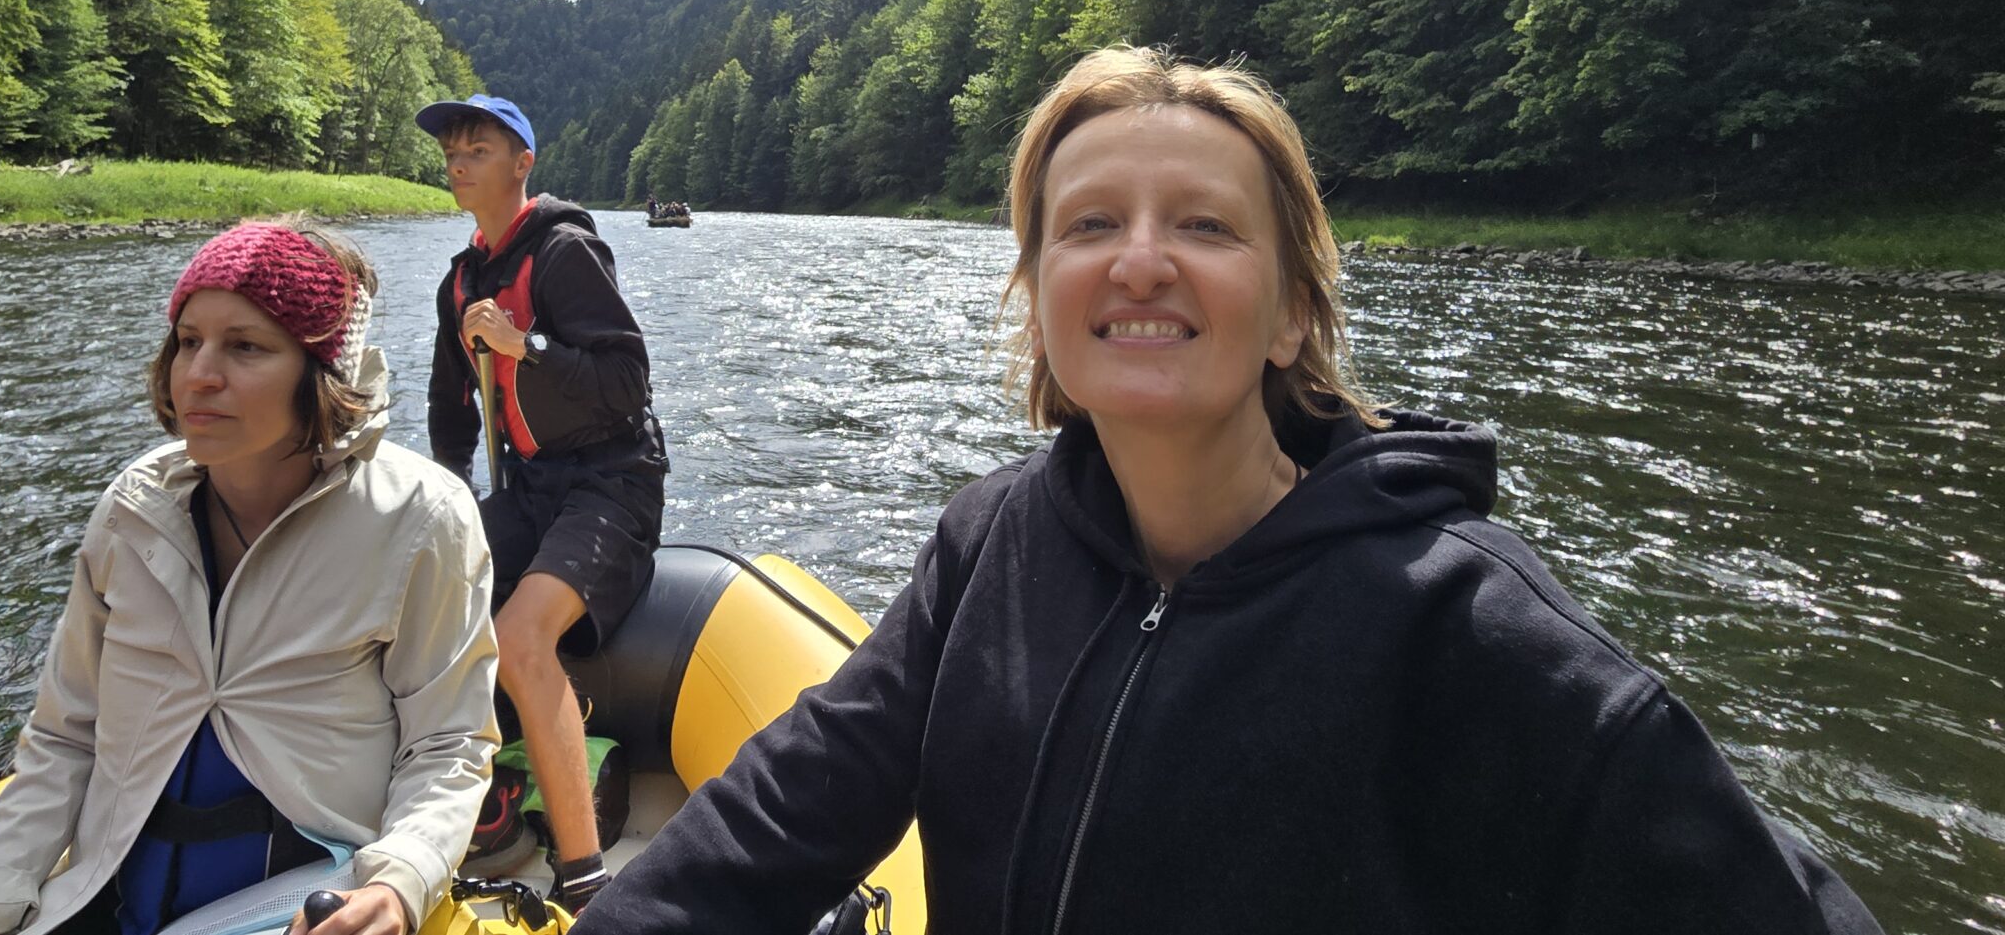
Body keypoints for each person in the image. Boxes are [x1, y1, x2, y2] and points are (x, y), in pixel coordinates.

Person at [581, 47, 1882, 934]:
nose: (1140, 261)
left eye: (1202, 225)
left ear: (1288, 314)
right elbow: (781, 813)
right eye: (1090, 226)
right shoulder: (988, 546)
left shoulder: (1466, 629)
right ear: (1041, 306)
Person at [0, 220, 497, 935]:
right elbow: (66, 735)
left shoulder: (422, 518)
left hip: (303, 905)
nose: (199, 372)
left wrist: (403, 875)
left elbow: (448, 742)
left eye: (245, 346)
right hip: (109, 903)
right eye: (188, 340)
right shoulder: (132, 510)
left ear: (322, 371)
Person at [416, 94, 666, 913]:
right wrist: (443, 516)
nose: (458, 162)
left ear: (523, 162)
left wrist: (528, 345)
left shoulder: (563, 253)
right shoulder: (460, 283)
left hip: (612, 480)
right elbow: (452, 416)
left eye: (477, 148)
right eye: (453, 151)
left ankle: (587, 881)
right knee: (420, 595)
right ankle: (459, 797)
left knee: (522, 633)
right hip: (530, 488)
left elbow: (628, 383)